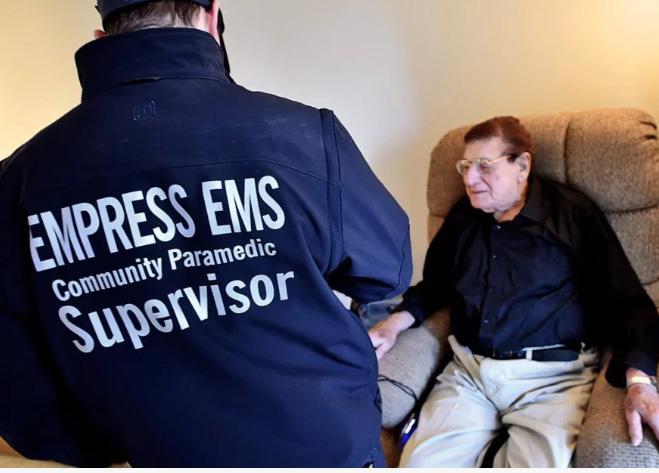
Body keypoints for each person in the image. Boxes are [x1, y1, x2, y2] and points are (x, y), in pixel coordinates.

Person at [0, 0, 412, 467]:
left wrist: (102, 449)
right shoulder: (303, 134)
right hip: (324, 446)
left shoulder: (17, 181)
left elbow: (17, 382)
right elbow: (387, 271)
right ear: (212, 18)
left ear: (102, 39)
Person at [370, 116, 659, 467]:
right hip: (470, 373)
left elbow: (626, 301)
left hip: (553, 381)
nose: (469, 179)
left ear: (522, 165)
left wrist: (639, 380)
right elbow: (434, 287)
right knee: (420, 464)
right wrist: (392, 325)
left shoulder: (571, 214)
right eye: (465, 166)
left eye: (484, 165)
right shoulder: (464, 217)